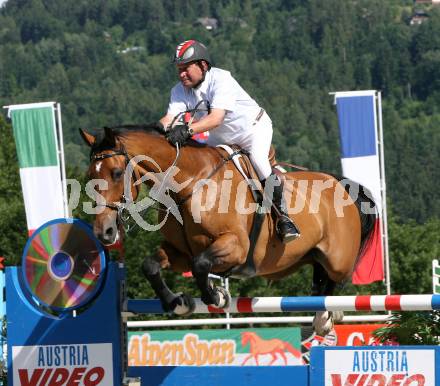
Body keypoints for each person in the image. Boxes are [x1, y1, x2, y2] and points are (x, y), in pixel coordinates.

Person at [158, 39, 300, 243]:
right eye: (179, 69)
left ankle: (284, 218)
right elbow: (169, 119)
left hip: (252, 130)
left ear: (203, 65)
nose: (181, 74)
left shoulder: (221, 79)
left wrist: (187, 130)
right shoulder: (178, 90)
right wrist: (152, 131)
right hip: (222, 138)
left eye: (185, 68)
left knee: (259, 161)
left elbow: (216, 118)